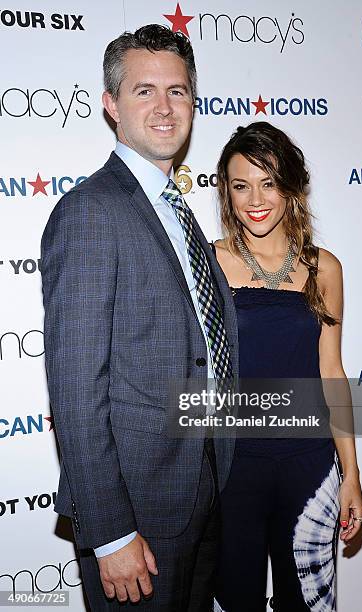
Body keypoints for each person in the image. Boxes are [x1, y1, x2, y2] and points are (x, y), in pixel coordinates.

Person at [40, 24, 238, 611]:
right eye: (144, 90)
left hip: (204, 491)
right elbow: (76, 388)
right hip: (137, 516)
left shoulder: (181, 213)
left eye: (177, 91)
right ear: (111, 105)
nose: (164, 107)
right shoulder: (92, 213)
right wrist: (110, 532)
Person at [212, 122, 362, 612]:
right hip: (232, 468)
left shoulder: (325, 268)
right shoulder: (208, 263)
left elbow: (331, 371)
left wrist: (352, 475)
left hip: (309, 466)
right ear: (227, 193)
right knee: (235, 601)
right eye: (241, 185)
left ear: (291, 187)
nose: (255, 198)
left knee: (308, 604)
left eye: (269, 182)